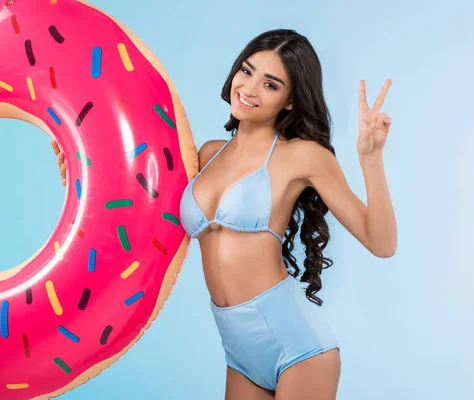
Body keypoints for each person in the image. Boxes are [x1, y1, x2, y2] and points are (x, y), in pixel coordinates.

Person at [52, 29, 397, 400]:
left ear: (291, 100)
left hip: (298, 347)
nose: (248, 89)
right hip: (238, 352)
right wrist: (81, 172)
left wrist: (371, 159)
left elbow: (381, 243)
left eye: (270, 84)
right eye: (246, 72)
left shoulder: (304, 155)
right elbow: (138, 216)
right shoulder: (206, 155)